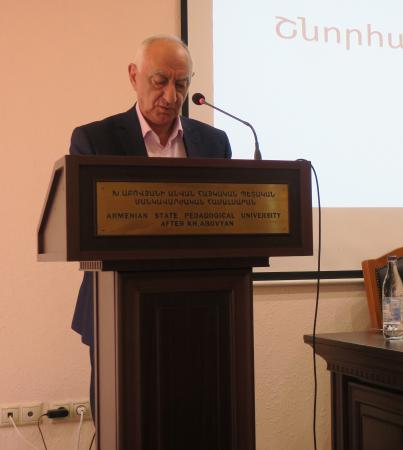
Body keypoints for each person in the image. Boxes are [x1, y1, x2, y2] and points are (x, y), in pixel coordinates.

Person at [70, 35, 232, 414]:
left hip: (199, 309)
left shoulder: (214, 142)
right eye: (160, 81)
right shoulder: (95, 140)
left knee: (196, 415)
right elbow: (84, 226)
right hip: (117, 307)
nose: (171, 96)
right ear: (134, 76)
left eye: (182, 84)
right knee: (119, 416)